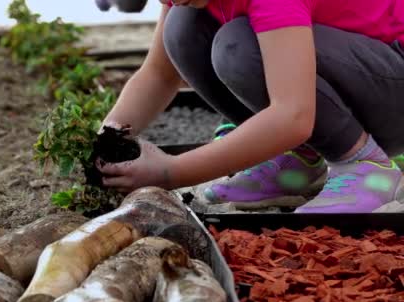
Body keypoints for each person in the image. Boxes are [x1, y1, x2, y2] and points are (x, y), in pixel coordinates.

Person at [95, 0, 404, 213]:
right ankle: (302, 159)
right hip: (356, 75)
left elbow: (293, 116)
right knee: (182, 27)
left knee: (239, 46)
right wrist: (107, 139)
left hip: (393, 88)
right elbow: (159, 74)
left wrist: (171, 172)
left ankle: (365, 164)